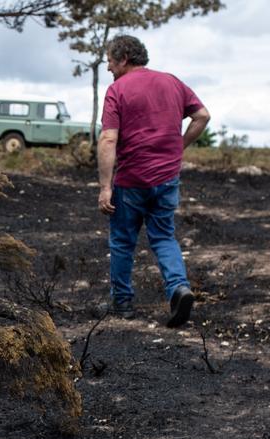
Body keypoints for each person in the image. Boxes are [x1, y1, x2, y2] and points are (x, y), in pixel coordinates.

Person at [97, 34, 210, 328]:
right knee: (163, 237)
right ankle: (179, 289)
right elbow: (202, 116)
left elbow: (109, 138)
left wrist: (105, 187)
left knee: (122, 241)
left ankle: (122, 304)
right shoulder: (172, 82)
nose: (108, 67)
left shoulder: (117, 90)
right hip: (167, 177)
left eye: (109, 61)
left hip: (131, 180)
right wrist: (179, 146)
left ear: (123, 59)